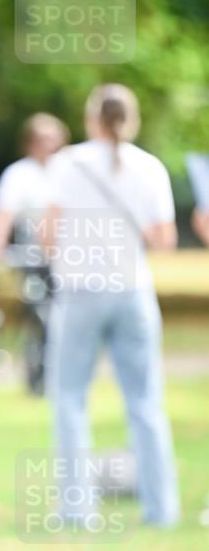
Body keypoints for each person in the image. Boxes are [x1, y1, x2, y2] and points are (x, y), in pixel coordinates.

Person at [43, 83, 180, 528]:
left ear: (91, 119)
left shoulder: (67, 163)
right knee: (145, 403)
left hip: (80, 291)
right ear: (132, 119)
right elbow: (164, 242)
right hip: (133, 290)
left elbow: (48, 234)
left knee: (69, 400)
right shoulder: (151, 168)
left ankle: (78, 510)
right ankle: (161, 509)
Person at [0, 114, 69, 393]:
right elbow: (3, 218)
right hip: (34, 260)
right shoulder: (20, 174)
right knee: (41, 316)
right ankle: (38, 378)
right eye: (43, 139)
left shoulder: (71, 171)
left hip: (69, 259)